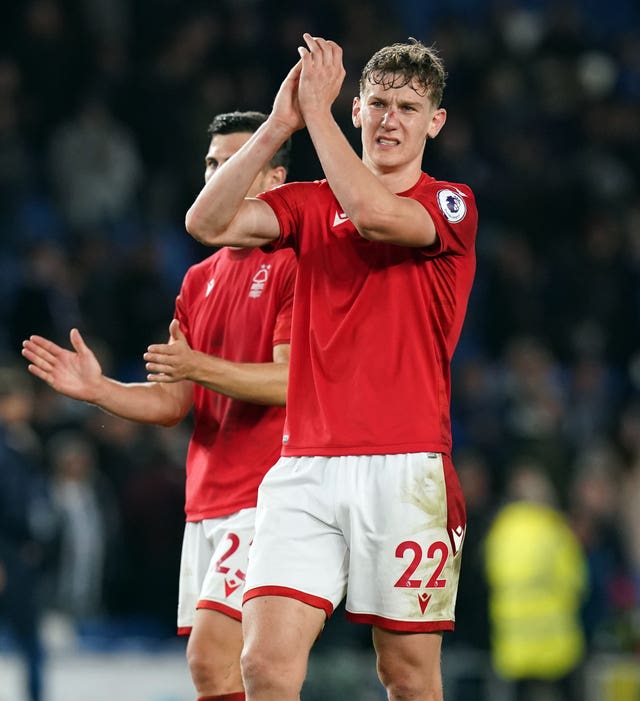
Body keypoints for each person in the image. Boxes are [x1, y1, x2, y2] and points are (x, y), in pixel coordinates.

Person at [185, 35, 478, 701]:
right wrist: (279, 124)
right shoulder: (309, 203)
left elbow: (374, 216)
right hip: (304, 466)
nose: (389, 118)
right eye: (375, 102)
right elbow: (206, 221)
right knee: (263, 666)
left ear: (435, 122)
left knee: (405, 675)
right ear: (357, 111)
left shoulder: (450, 203)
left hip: (406, 467)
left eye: (407, 106)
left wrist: (315, 114)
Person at [22, 110, 297, 701]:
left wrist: (197, 367)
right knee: (220, 675)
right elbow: (176, 402)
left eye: (234, 164)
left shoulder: (295, 264)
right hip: (207, 499)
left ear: (272, 180)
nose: (216, 176)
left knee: (215, 658)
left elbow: (288, 382)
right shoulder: (198, 280)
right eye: (211, 165)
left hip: (268, 492)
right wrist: (99, 389)